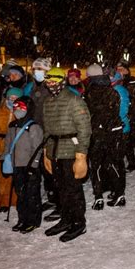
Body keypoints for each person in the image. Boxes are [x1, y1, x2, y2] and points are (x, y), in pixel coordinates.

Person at [42, 67, 91, 242]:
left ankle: (78, 222)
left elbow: (84, 129)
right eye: (48, 81)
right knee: (60, 188)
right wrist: (46, 152)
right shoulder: (47, 102)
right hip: (54, 150)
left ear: (62, 82)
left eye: (54, 81)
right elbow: (47, 129)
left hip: (71, 149)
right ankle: (66, 218)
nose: (51, 84)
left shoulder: (74, 100)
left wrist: (81, 155)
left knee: (73, 188)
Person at [85, 64, 127, 209]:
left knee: (95, 165)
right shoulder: (112, 90)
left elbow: (90, 114)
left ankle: (98, 198)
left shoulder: (91, 92)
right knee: (111, 163)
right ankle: (120, 193)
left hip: (99, 132)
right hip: (113, 131)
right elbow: (115, 110)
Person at [23, 57, 59, 220]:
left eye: (41, 70)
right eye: (35, 69)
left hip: (50, 135)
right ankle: (52, 198)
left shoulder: (52, 87)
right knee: (44, 170)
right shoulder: (31, 87)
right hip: (36, 134)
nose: (37, 72)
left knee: (54, 171)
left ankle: (61, 204)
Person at [2, 96, 43, 233]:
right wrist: (5, 159)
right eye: (15, 107)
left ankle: (33, 220)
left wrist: (34, 165)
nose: (17, 110)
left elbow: (37, 148)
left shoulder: (33, 126)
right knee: (20, 194)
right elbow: (8, 144)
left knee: (31, 194)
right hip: (16, 165)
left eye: (21, 107)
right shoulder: (12, 126)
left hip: (29, 165)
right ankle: (22, 218)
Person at [0, 87, 21, 212]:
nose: (12, 100)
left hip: (17, 145)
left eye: (15, 98)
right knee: (4, 175)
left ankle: (16, 199)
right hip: (2, 146)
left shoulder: (21, 112)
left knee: (17, 174)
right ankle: (4, 201)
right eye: (10, 98)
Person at [116, 59, 135, 173]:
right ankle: (131, 163)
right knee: (127, 142)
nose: (120, 72)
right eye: (118, 70)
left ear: (127, 70)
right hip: (124, 118)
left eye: (122, 69)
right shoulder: (116, 83)